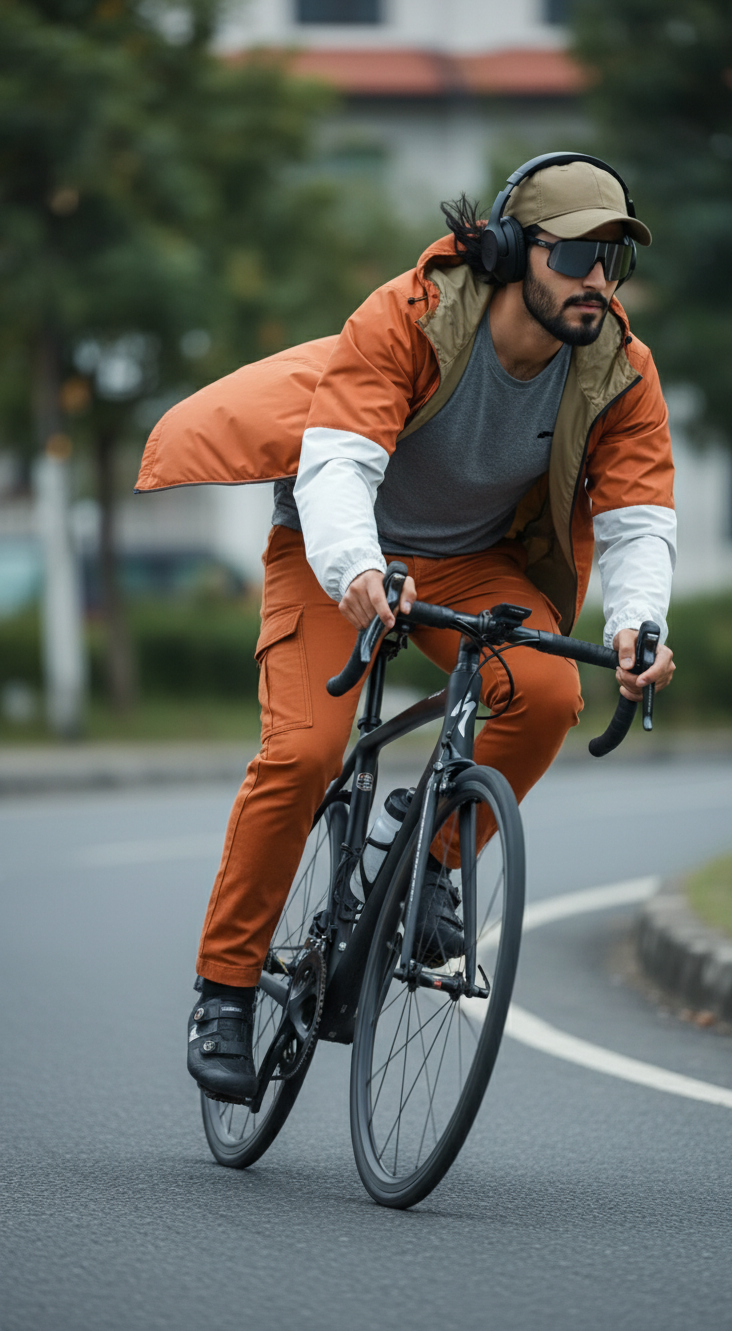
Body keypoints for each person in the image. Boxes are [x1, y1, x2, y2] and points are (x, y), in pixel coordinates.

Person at [136, 152, 677, 1104]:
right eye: (576, 255)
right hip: (335, 545)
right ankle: (224, 989)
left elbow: (638, 520)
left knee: (546, 696)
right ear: (512, 253)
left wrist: (639, 627)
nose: (597, 280)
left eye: (612, 260)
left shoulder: (620, 372)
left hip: (469, 559)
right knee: (305, 754)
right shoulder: (414, 314)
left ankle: (424, 861)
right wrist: (351, 572)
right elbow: (339, 462)